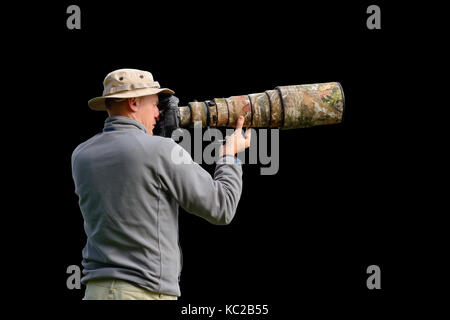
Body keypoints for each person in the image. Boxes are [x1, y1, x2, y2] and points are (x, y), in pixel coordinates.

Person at [71, 68, 251, 300]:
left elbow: (134, 181)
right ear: (134, 103)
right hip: (143, 293)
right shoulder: (161, 151)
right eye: (155, 104)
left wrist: (158, 144)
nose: (158, 113)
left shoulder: (81, 155)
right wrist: (229, 155)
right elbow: (222, 207)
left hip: (95, 291)